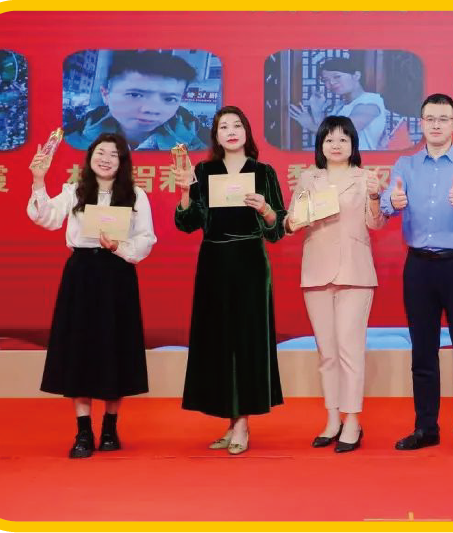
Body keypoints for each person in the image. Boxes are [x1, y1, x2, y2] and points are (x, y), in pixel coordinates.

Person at [26, 132, 156, 458]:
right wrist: (38, 181)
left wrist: (120, 246)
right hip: (81, 275)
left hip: (117, 275)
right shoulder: (75, 191)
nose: (106, 159)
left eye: (114, 154)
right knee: (80, 349)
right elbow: (46, 217)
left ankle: (110, 427)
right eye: (100, 152)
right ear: (90, 157)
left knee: (115, 348)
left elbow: (146, 239)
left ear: (122, 162)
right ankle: (83, 431)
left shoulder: (136, 195)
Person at [380, 93, 453, 456]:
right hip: (419, 267)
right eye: (430, 119)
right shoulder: (405, 164)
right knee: (423, 352)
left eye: (444, 119)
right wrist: (392, 202)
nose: (437, 125)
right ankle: (426, 427)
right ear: (421, 123)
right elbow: (388, 203)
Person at [174, 106, 287, 455]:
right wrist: (185, 191)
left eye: (237, 125)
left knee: (247, 340)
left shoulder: (263, 172)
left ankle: (242, 425)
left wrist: (264, 209)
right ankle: (230, 419)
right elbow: (188, 223)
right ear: (216, 136)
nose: (231, 131)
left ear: (247, 132)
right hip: (214, 262)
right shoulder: (203, 171)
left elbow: (277, 229)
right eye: (224, 126)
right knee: (218, 341)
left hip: (251, 262)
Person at [285, 116, 385, 453]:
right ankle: (332, 419)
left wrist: (375, 196)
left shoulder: (364, 178)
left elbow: (375, 223)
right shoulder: (309, 177)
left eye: (343, 139)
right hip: (316, 270)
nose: (336, 145)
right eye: (329, 139)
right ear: (321, 145)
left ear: (354, 144)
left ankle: (352, 420)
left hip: (355, 271)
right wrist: (301, 216)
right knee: (327, 352)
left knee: (349, 349)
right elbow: (290, 222)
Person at [66, 51, 210, 151]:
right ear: (106, 95)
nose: (151, 109)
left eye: (169, 99)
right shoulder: (67, 140)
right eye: (135, 95)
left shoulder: (202, 146)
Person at [289, 56, 387, 151]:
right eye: (326, 80)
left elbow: (345, 132)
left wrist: (309, 124)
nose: (331, 82)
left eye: (337, 76)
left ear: (356, 75)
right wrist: (317, 110)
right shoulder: (340, 105)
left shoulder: (370, 102)